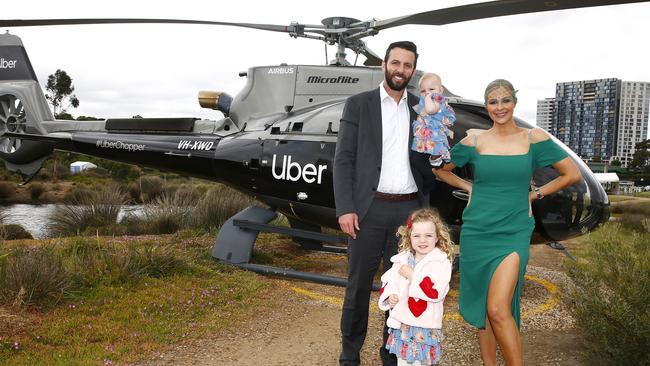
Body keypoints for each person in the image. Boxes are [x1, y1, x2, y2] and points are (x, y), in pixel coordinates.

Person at [433, 79, 581, 366]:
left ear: (514, 102)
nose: (499, 107)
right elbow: (441, 169)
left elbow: (571, 174)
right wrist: (469, 187)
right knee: (484, 310)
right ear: (487, 106)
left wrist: (534, 194)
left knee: (498, 308)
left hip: (513, 230)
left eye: (505, 100)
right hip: (478, 229)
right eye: (492, 101)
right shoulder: (475, 139)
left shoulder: (533, 139)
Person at [334, 41, 432, 366]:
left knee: (401, 289)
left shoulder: (421, 109)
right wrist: (346, 207)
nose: (400, 70)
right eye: (395, 63)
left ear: (413, 71)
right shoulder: (358, 104)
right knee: (358, 287)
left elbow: (431, 160)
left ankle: (391, 353)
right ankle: (350, 355)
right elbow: (344, 159)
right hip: (368, 209)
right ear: (384, 65)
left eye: (407, 65)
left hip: (408, 213)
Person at [378, 208, 453, 366]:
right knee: (402, 362)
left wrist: (413, 276)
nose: (422, 240)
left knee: (421, 363)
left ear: (437, 237)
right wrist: (389, 298)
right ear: (409, 236)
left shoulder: (441, 263)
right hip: (403, 325)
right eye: (417, 236)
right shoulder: (402, 259)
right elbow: (388, 281)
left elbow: (435, 292)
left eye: (428, 235)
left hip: (424, 327)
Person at [412, 73, 456, 168]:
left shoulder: (437, 101)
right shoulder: (423, 102)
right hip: (425, 137)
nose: (427, 92)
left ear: (441, 90)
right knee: (419, 156)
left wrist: (427, 98)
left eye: (431, 89)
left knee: (436, 148)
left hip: (434, 133)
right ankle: (434, 159)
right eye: (423, 91)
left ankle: (436, 158)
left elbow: (430, 110)